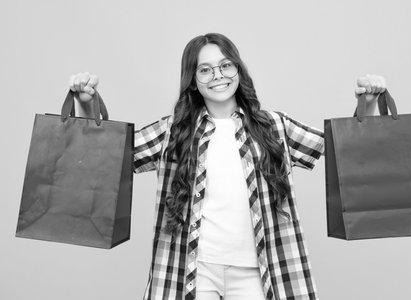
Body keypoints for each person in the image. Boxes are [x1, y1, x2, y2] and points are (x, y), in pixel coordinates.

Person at [69, 33, 386, 300]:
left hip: (259, 269)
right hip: (194, 269)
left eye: (225, 65)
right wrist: (86, 102)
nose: (217, 75)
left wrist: (368, 103)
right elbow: (111, 155)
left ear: (238, 70)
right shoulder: (172, 132)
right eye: (205, 70)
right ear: (193, 82)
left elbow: (341, 147)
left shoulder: (274, 126)